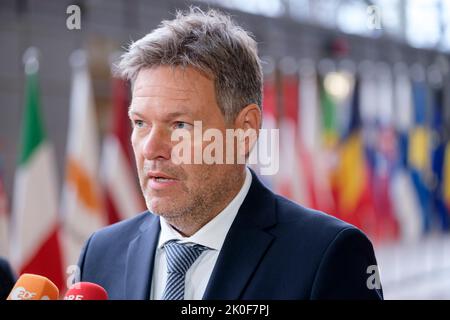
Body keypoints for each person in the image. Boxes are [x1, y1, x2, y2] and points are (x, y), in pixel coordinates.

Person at [77, 7, 383, 300]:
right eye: (140, 122)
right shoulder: (99, 254)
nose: (150, 148)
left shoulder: (327, 255)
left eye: (180, 125)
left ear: (244, 130)